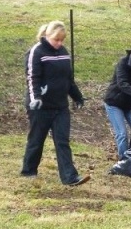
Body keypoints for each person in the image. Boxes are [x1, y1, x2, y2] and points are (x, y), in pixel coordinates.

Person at [21, 20, 90, 186]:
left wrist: (77, 97)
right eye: (56, 40)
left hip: (60, 106)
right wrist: (35, 98)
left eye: (62, 40)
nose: (59, 43)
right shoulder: (36, 51)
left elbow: (68, 79)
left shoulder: (64, 52)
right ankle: (29, 170)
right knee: (37, 139)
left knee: (62, 141)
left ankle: (70, 177)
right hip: (40, 106)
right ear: (47, 36)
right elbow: (32, 78)